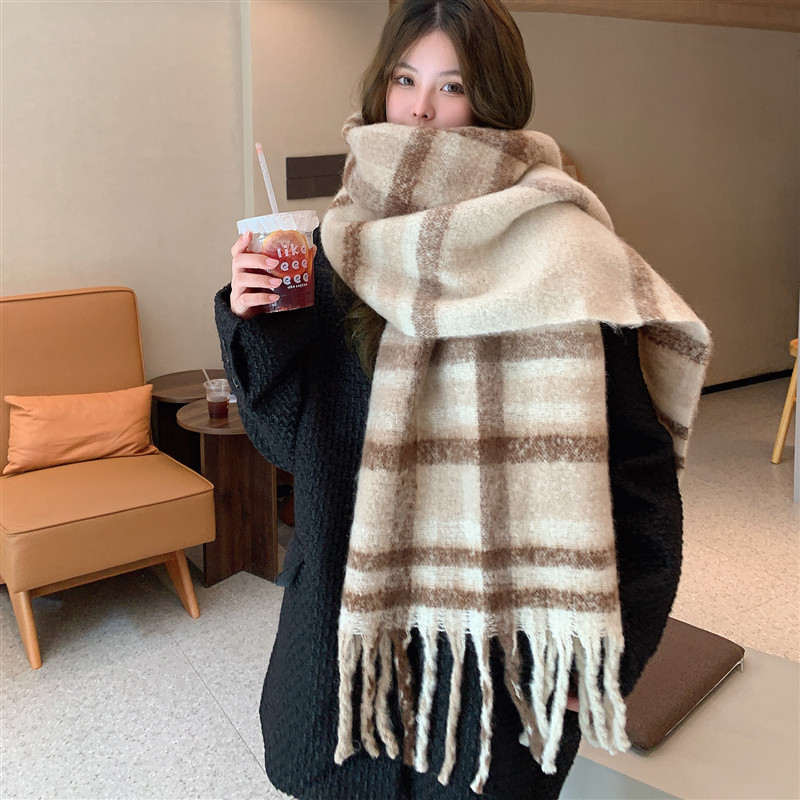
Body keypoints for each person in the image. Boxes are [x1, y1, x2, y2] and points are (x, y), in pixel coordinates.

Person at [215, 1, 711, 798]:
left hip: (491, 656)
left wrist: (614, 648)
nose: (419, 107)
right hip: (347, 636)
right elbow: (284, 442)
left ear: (495, 100)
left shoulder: (566, 256)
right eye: (405, 79)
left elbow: (638, 474)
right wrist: (258, 321)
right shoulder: (336, 246)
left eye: (451, 85)